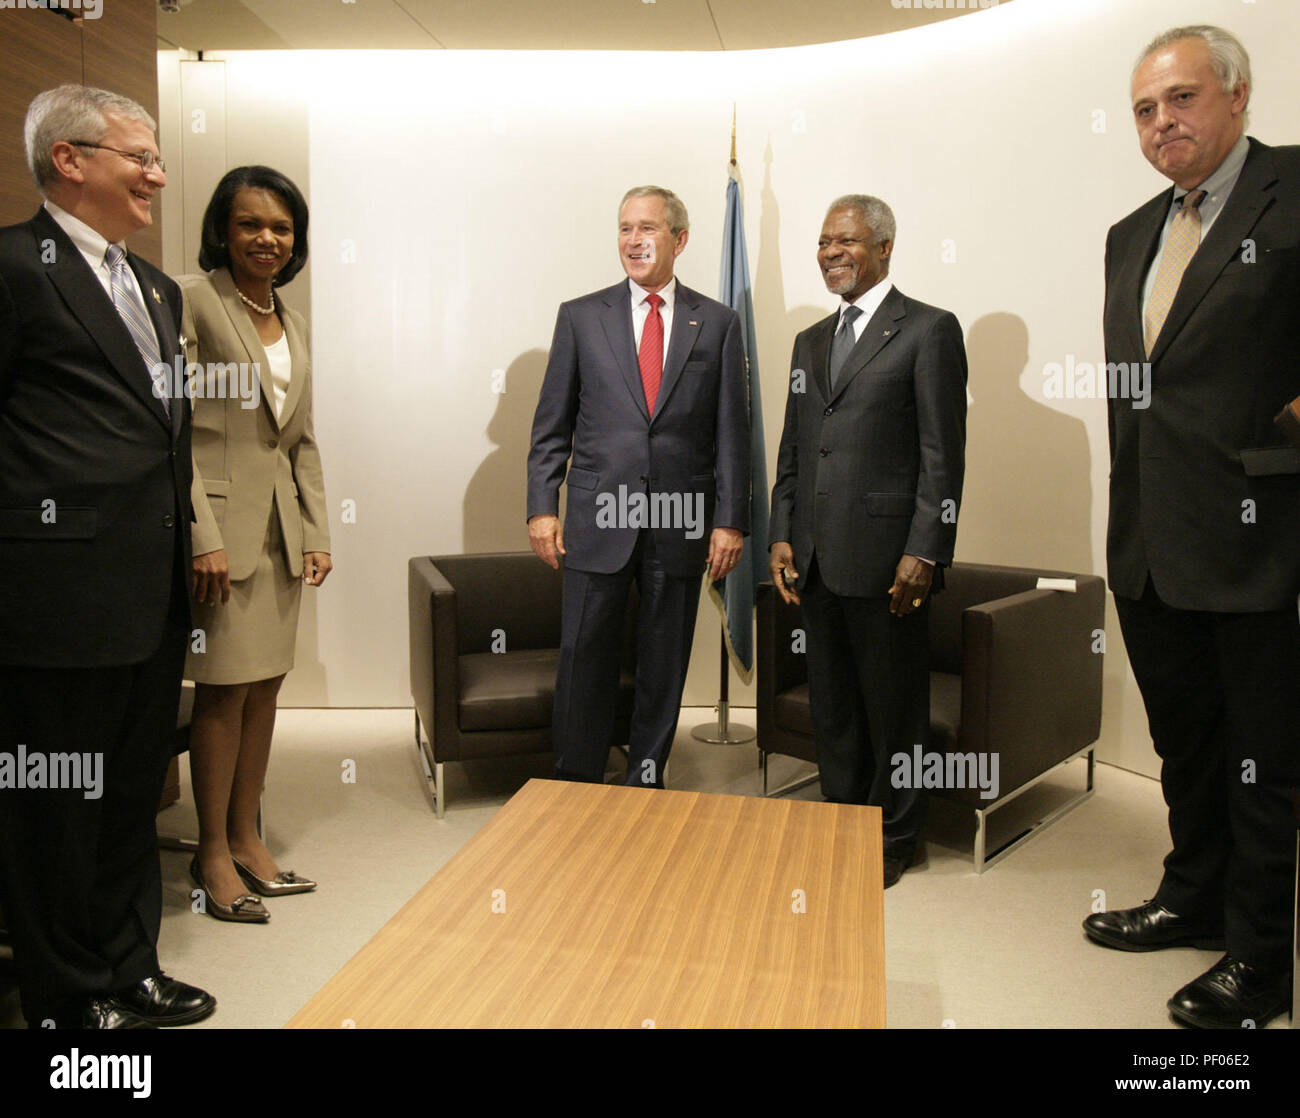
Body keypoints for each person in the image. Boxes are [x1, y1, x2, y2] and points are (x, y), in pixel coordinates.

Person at [1083, 25, 1300, 1029]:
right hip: (1149, 542)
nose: (1161, 122)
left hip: (1262, 539)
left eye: (1179, 99)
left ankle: (1259, 960)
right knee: (1190, 746)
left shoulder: (1291, 189)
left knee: (1264, 762)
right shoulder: (1129, 233)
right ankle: (1191, 892)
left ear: (1237, 97)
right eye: (1142, 108)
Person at [0, 85, 213, 1028]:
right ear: (70, 161)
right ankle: (64, 995)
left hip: (151, 596)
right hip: (52, 601)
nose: (158, 175)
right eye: (140, 156)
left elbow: (166, 436)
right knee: (56, 809)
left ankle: (132, 969)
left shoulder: (156, 287)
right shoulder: (12, 267)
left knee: (131, 798)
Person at [768, 195, 967, 888]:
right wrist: (782, 535)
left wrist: (927, 549)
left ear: (884, 246)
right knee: (835, 706)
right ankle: (842, 819)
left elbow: (943, 455)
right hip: (816, 557)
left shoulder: (929, 331)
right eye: (823, 242)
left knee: (894, 710)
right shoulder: (810, 342)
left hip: (890, 564)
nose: (830, 253)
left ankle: (895, 836)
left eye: (845, 241)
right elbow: (794, 448)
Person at [526, 186, 749, 788]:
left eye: (648, 228)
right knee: (584, 654)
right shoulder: (580, 316)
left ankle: (646, 776)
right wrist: (542, 509)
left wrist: (730, 521)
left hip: (681, 519)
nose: (633, 240)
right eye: (625, 227)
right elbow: (552, 424)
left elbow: (733, 432)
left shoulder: (719, 324)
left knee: (664, 659)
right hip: (597, 517)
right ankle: (574, 777)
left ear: (680, 239)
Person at [180, 166, 331, 922]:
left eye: (280, 227)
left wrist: (317, 531)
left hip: (278, 534)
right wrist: (198, 534)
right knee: (224, 688)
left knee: (267, 687)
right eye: (250, 224)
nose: (266, 239)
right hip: (218, 536)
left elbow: (300, 440)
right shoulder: (192, 302)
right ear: (223, 229)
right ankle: (210, 852)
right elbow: (171, 429)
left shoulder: (292, 323)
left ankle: (247, 836)